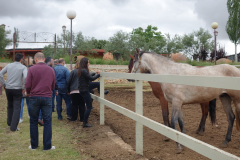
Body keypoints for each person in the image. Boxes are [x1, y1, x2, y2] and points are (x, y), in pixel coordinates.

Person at [25, 52, 55, 150]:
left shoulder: (31, 69)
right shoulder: (51, 70)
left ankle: (34, 145)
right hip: (47, 97)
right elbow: (53, 85)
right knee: (47, 122)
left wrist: (28, 92)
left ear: (36, 59)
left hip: (34, 97)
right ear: (44, 58)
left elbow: (28, 85)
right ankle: (47, 146)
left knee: (33, 121)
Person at [0, 53, 27, 131]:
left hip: (8, 88)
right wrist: (23, 87)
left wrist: (4, 84)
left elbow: (0, 74)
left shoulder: (8, 65)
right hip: (17, 89)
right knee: (17, 107)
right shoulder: (23, 67)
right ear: (21, 59)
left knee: (10, 105)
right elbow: (26, 76)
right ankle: (13, 127)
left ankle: (9, 122)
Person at [77, 57, 100, 128]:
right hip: (84, 90)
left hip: (83, 88)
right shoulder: (84, 70)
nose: (89, 63)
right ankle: (85, 122)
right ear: (85, 63)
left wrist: (94, 73)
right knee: (89, 107)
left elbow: (89, 76)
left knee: (98, 84)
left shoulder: (81, 70)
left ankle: (101, 92)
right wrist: (99, 74)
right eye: (88, 62)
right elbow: (92, 78)